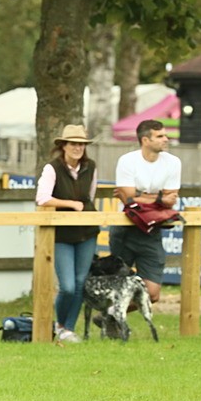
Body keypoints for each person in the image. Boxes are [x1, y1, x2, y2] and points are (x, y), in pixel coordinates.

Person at [36, 124, 99, 344]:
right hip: (62, 233)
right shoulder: (52, 168)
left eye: (81, 144)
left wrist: (81, 206)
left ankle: (68, 328)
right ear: (63, 145)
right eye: (73, 143)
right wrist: (70, 204)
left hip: (87, 232)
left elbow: (90, 195)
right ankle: (59, 324)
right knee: (68, 285)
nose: (77, 148)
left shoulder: (90, 167)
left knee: (81, 282)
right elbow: (42, 198)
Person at [111, 119, 181, 305]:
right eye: (160, 136)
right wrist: (158, 199)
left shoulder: (173, 162)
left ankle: (110, 316)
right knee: (117, 286)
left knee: (152, 293)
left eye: (165, 135)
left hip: (152, 229)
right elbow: (128, 200)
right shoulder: (127, 161)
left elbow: (170, 200)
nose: (166, 139)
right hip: (125, 228)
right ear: (145, 140)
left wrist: (142, 197)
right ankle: (114, 319)